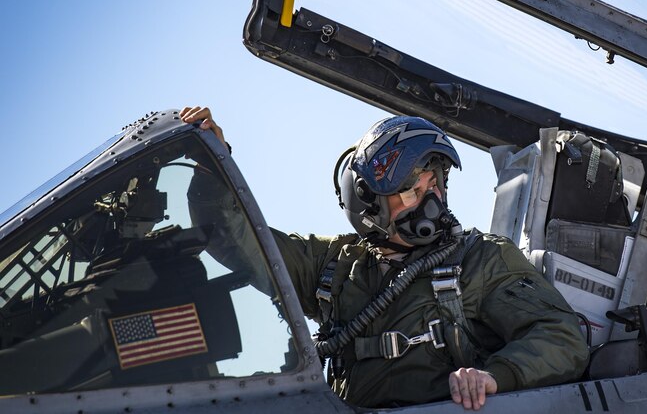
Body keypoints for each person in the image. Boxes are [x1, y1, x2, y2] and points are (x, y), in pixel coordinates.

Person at [181, 106, 589, 410]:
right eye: (412, 191)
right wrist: (209, 163)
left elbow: (561, 337)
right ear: (369, 204)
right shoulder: (334, 265)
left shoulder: (480, 260)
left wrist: (494, 377)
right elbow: (234, 240)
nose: (432, 202)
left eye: (435, 186)